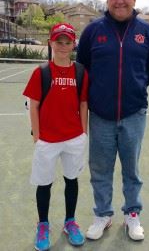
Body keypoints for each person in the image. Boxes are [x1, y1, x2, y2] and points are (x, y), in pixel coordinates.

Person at [77, 0, 149, 241]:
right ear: (107, 0)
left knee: (131, 170)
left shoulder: (147, 32)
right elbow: (83, 68)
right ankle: (103, 214)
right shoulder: (93, 31)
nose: (120, 1)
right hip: (100, 115)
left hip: (134, 114)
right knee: (100, 170)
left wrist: (134, 88)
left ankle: (132, 215)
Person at [23, 22, 88, 250]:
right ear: (51, 43)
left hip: (73, 139)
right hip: (47, 141)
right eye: (58, 41)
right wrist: (37, 137)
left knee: (72, 180)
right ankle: (43, 225)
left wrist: (83, 133)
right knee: (44, 184)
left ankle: (70, 222)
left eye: (67, 42)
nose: (62, 46)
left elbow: (83, 104)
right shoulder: (41, 72)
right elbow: (33, 106)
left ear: (73, 44)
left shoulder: (80, 71)